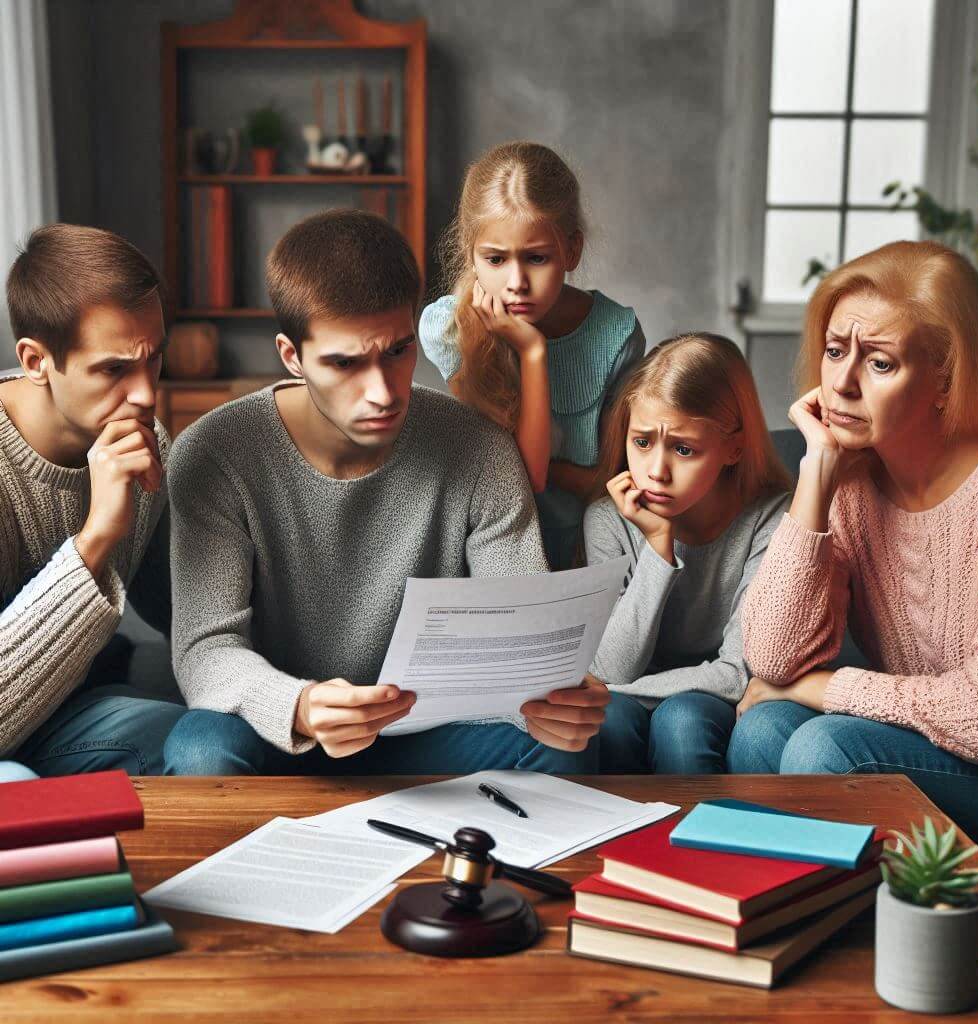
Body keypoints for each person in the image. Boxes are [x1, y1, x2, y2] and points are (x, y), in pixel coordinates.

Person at [162, 209, 608, 776]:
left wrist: (554, 698)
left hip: (427, 733)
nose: (382, 392)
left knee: (575, 739)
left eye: (397, 351)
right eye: (345, 363)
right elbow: (205, 650)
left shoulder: (480, 450)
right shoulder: (215, 453)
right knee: (201, 748)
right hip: (284, 730)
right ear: (292, 357)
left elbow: (519, 625)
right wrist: (299, 707)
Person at [731, 240, 978, 870]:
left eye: (880, 363)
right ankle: (778, 912)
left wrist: (825, 687)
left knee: (824, 749)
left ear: (946, 378)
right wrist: (816, 476)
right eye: (836, 350)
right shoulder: (853, 478)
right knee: (761, 731)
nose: (840, 383)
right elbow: (773, 658)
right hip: (937, 744)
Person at [0, 224, 185, 776]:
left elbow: (189, 613)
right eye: (114, 369)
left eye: (153, 359)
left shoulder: (143, 443)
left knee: (207, 739)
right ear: (36, 362)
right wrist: (97, 537)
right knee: (15, 785)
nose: (146, 394)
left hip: (69, 714)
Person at [419, 141, 646, 569]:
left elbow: (614, 478)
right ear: (471, 253)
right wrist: (533, 352)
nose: (516, 282)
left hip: (588, 548)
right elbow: (522, 478)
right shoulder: (451, 328)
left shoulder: (616, 335)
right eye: (495, 259)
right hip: (492, 546)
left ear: (571, 251)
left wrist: (532, 351)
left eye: (537, 258)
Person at [585, 334, 789, 773]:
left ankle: (701, 823)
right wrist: (658, 547)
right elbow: (612, 666)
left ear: (734, 448)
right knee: (607, 721)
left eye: (683, 449)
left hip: (711, 701)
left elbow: (738, 672)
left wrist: (617, 689)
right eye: (642, 443)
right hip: (629, 693)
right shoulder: (607, 519)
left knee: (683, 721)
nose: (656, 472)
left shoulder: (771, 518)